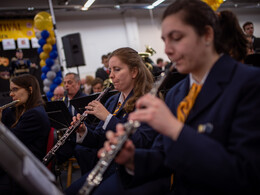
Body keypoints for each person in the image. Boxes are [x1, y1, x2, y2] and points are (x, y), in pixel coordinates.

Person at [94, 1, 260, 195]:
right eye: (165, 40)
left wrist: (174, 128)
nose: (167, 50)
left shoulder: (250, 83)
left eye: (177, 38)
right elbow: (165, 156)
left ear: (207, 35)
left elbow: (246, 175)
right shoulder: (177, 93)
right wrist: (132, 159)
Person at [65, 47, 158, 194]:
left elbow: (142, 141)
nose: (111, 76)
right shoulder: (113, 100)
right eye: (110, 70)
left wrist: (108, 118)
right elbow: (97, 139)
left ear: (134, 72)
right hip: (106, 167)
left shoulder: (147, 100)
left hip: (130, 171)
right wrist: (83, 131)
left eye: (117, 69)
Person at [0, 74, 50, 194]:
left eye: (15, 90)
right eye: (11, 90)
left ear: (30, 90)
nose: (11, 94)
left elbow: (10, 141)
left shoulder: (34, 115)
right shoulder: (20, 110)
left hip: (25, 167)